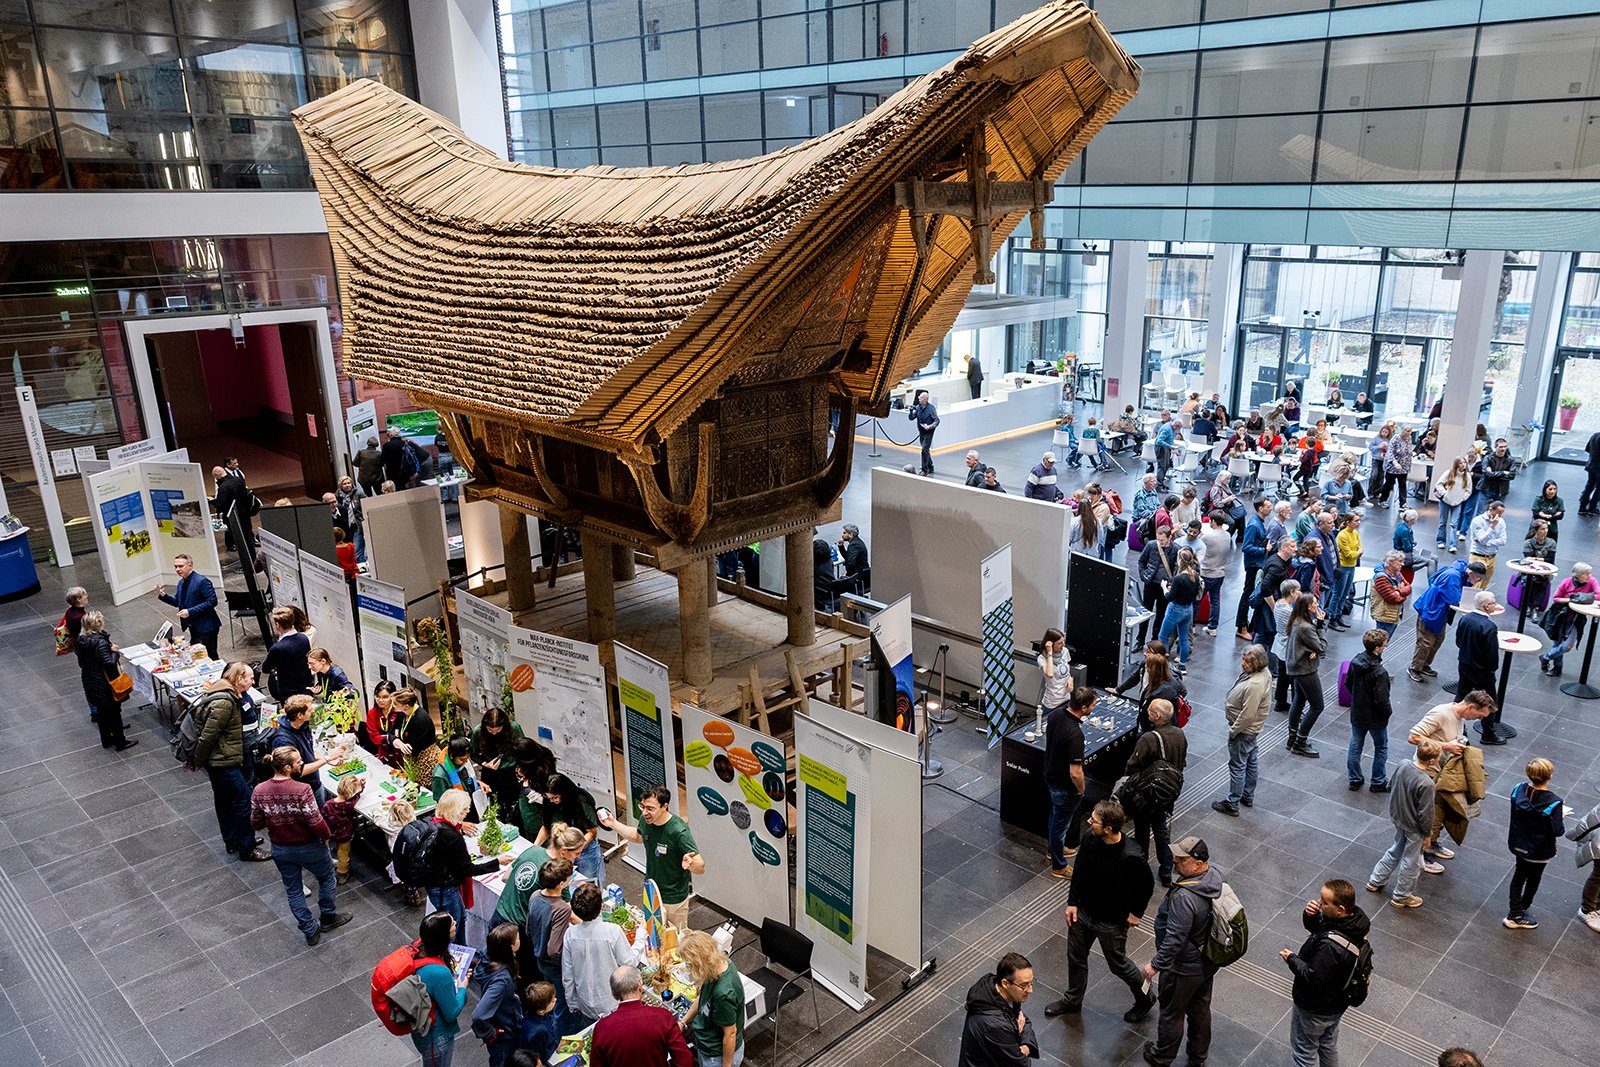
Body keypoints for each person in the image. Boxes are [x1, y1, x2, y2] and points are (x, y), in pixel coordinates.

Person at [1042, 799, 1156, 1022]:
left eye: (1094, 821)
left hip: (1111, 921)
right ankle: (1073, 1000)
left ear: (1109, 827)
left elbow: (1146, 886)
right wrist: (1072, 902)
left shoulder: (1131, 855)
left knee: (1119, 965)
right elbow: (1080, 871)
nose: (1088, 822)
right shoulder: (1090, 837)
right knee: (1076, 957)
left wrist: (1136, 914)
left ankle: (1146, 998)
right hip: (1084, 912)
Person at [251, 745, 351, 944]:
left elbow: (256, 822)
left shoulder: (259, 790)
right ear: (288, 768)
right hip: (309, 847)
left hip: (280, 848)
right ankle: (328, 917)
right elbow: (315, 820)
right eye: (298, 762)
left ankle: (309, 929)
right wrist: (326, 836)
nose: (302, 763)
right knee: (326, 878)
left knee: (294, 889)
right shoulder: (302, 790)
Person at [1141, 836, 1219, 1067]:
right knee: (1200, 1009)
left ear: (1197, 863)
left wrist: (1155, 965)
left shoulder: (1185, 896)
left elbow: (1175, 938)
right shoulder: (1212, 877)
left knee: (1171, 1012)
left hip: (1183, 966)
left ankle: (1162, 1055)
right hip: (1205, 961)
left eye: (1181, 859)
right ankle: (1198, 1057)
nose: (1174, 861)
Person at [1280, 879, 1370, 1067]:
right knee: (1327, 1043)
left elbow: (1312, 977)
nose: (1319, 903)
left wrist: (1292, 959)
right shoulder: (1353, 923)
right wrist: (1310, 916)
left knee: (1304, 1052)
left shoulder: (1330, 948)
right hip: (1336, 1004)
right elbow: (1322, 931)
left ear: (1340, 909)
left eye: (1324, 902)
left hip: (1315, 1007)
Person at [189, 662, 270, 861]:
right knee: (243, 800)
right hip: (223, 761)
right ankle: (247, 847)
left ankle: (234, 839)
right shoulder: (225, 702)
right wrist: (197, 761)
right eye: (250, 678)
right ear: (239, 679)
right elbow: (208, 736)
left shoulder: (226, 693)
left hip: (222, 758)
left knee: (224, 800)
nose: (253, 681)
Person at [601, 784, 703, 930]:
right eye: (643, 807)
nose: (645, 813)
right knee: (652, 933)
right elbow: (638, 836)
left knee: (675, 939)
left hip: (674, 898)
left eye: (650, 808)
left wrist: (691, 862)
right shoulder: (647, 820)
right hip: (651, 891)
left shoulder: (678, 831)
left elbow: (701, 866)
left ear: (664, 806)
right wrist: (613, 824)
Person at [1366, 738, 1443, 909]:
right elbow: (1426, 814)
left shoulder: (1403, 764)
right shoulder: (1427, 783)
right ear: (1432, 760)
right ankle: (1401, 896)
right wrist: (1428, 835)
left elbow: (1390, 785)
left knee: (1395, 849)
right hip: (1414, 827)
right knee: (1411, 861)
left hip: (1398, 818)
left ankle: (1376, 880)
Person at [424, 788, 513, 933]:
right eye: (465, 808)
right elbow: (468, 870)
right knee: (455, 927)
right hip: (446, 889)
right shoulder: (452, 836)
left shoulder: (433, 823)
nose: (468, 810)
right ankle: (459, 953)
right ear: (456, 810)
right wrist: (497, 862)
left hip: (434, 884)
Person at [1124, 699, 1187, 886]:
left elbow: (1132, 766)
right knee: (1160, 829)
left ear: (1157, 716)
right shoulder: (1179, 734)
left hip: (1148, 793)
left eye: (1150, 710)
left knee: (1142, 830)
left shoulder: (1148, 738)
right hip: (1168, 790)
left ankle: (1140, 868)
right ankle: (1166, 870)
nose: (1147, 712)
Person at [562, 883, 641, 1030]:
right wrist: (640, 938)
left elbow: (568, 974)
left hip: (584, 1002)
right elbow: (629, 963)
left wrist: (572, 1002)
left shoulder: (570, 935)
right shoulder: (612, 932)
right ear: (601, 906)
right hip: (611, 1003)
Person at [590, 964, 694, 1067]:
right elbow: (685, 1061)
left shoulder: (602, 1028)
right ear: (640, 986)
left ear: (614, 995)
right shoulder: (663, 1017)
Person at [1505, 757, 1564, 930]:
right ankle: (1518, 913)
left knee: (1518, 877)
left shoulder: (1518, 790)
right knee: (1534, 878)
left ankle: (1516, 910)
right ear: (1550, 776)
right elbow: (1558, 830)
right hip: (1540, 850)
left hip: (1518, 843)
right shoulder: (1554, 801)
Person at [1407, 559, 1487, 684]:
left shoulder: (1461, 574)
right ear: (1471, 574)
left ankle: (1424, 665)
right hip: (1432, 610)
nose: (1479, 581)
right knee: (1425, 641)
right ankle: (1415, 668)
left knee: (1438, 640)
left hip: (1440, 611)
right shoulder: (1453, 576)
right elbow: (1454, 598)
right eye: (1478, 578)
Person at [1039, 628, 1079, 878]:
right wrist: (1050, 653)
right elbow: (1050, 673)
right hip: (1051, 707)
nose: (1063, 645)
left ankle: (1057, 847)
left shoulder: (1064, 652)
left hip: (1064, 702)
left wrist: (1072, 681)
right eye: (1059, 643)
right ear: (1050, 644)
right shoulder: (1045, 658)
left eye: (1064, 642)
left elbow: (1066, 671)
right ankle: (1056, 857)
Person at [1213, 645, 1270, 816]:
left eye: (1247, 661)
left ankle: (1232, 803)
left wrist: (1234, 731)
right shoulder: (1262, 673)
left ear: (1257, 663)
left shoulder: (1255, 685)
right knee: (1251, 761)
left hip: (1244, 731)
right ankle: (1248, 795)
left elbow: (1248, 714)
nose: (1243, 663)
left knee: (1237, 766)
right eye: (1243, 658)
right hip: (1252, 731)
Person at [958, 952, 1038, 1067]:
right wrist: (1026, 1047)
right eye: (1024, 985)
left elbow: (1024, 1021)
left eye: (1031, 983)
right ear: (1005, 983)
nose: (1030, 990)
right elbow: (1020, 1064)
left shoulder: (996, 992)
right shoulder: (994, 1024)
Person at [412, 911, 470, 1067]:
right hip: (436, 1037)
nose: (455, 923)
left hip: (422, 1030)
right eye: (451, 923)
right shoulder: (439, 972)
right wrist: (463, 988)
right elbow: (451, 1012)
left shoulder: (417, 949)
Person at [681, 930, 747, 1067]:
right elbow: (703, 997)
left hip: (717, 1056)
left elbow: (730, 1033)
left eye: (689, 964)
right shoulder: (716, 968)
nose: (688, 968)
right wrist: (683, 1022)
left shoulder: (723, 994)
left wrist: (726, 1065)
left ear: (700, 962)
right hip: (707, 1046)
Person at [525, 858, 577, 1029]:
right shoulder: (562, 908)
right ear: (562, 883)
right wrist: (569, 960)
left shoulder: (534, 896)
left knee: (551, 998)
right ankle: (560, 1038)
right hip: (555, 966)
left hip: (539, 960)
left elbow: (528, 930)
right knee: (561, 1004)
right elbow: (554, 949)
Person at [525, 772, 605, 883]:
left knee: (586, 883)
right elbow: (546, 826)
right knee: (565, 882)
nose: (552, 801)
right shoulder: (549, 802)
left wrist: (575, 849)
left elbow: (592, 832)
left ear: (564, 793)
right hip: (563, 849)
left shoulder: (581, 801)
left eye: (555, 797)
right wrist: (534, 847)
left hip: (584, 850)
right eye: (549, 798)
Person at [271, 694, 351, 802]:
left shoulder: (303, 726)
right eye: (309, 710)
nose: (313, 711)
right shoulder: (283, 741)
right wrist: (327, 759)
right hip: (303, 792)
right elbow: (298, 771)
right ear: (300, 715)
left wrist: (327, 759)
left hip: (315, 784)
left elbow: (308, 750)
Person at [74, 611, 135, 752]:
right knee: (114, 711)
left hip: (89, 679)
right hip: (104, 683)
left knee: (102, 712)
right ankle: (120, 742)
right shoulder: (100, 642)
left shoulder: (80, 640)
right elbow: (108, 663)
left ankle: (106, 739)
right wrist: (114, 652)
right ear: (98, 624)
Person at [471, 924, 525, 1067]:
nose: (520, 939)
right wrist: (489, 1033)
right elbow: (478, 1015)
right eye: (518, 938)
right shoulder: (502, 980)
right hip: (504, 1034)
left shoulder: (488, 953)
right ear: (511, 947)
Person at [1347, 628, 1393, 792]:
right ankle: (1378, 781)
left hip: (1358, 711)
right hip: (1375, 717)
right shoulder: (1380, 672)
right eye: (1384, 645)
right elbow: (1382, 699)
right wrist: (1388, 713)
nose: (1385, 647)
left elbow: (1348, 683)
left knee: (1356, 744)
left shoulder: (1356, 661)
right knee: (1381, 747)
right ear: (1377, 648)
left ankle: (1354, 778)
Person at [1456, 590, 1505, 743]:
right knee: (1490, 701)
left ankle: (1458, 728)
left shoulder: (1465, 619)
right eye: (1493, 603)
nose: (1495, 605)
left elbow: (1458, 641)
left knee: (1461, 696)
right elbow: (1491, 654)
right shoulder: (1489, 626)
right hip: (1483, 671)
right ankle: (1488, 734)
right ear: (1485, 606)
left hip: (1464, 665)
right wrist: (1492, 669)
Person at [153, 553, 221, 661]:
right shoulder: (181, 582)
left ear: (190, 565)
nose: (177, 569)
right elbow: (178, 602)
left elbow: (212, 601)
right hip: (193, 626)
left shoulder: (202, 581)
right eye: (175, 566)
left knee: (210, 654)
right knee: (196, 654)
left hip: (206, 626)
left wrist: (190, 611)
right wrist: (163, 595)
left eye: (180, 566)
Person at [1285, 593, 1328, 758]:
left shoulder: (1296, 621)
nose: (1317, 605)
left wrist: (1313, 650)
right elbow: (1321, 646)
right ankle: (1300, 742)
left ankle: (1292, 737)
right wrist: (1321, 626)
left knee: (1299, 701)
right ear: (1307, 607)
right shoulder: (1306, 627)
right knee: (1317, 706)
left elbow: (1310, 645)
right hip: (1305, 670)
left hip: (1296, 667)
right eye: (1315, 603)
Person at [1113, 640, 1186, 734]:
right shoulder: (1145, 664)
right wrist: (1118, 690)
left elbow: (1183, 691)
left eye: (1148, 652)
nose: (1145, 654)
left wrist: (1164, 708)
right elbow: (1134, 678)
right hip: (1147, 708)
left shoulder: (1169, 679)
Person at [1540, 562, 1600, 677]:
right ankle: (1557, 668)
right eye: (1585, 574)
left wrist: (1580, 597)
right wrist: (1571, 600)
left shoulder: (1592, 581)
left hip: (1576, 619)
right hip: (1559, 617)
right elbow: (1556, 598)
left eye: (1590, 573)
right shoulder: (1566, 582)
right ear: (1577, 575)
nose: (1589, 576)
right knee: (1557, 643)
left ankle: (1545, 657)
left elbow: (1599, 595)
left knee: (1567, 645)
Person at [473, 706, 525, 820]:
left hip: (510, 770)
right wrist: (484, 763)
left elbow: (522, 749)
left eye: (498, 730)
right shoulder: (478, 731)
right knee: (493, 803)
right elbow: (473, 753)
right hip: (490, 772)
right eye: (490, 730)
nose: (494, 733)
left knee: (513, 802)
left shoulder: (514, 728)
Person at [391, 686, 443, 780]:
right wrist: (398, 742)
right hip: (411, 759)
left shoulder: (421, 720)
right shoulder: (402, 714)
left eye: (395, 704)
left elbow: (411, 749)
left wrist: (398, 742)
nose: (392, 705)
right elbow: (391, 733)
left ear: (406, 706)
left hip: (425, 760)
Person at [262, 606, 313, 701]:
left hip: (289, 692)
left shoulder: (278, 648)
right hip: (306, 687)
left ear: (277, 625)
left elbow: (266, 668)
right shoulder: (303, 638)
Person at [1138, 525, 1178, 636]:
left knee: (1160, 614)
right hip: (1150, 583)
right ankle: (1140, 638)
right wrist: (1144, 576)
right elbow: (1141, 561)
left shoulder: (1176, 549)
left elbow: (1176, 568)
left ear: (1169, 537)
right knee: (1145, 612)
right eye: (1158, 539)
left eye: (1162, 540)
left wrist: (1171, 583)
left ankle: (1154, 639)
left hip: (1164, 586)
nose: (1159, 542)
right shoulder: (1151, 545)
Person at [325, 771, 363, 884]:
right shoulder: (348, 805)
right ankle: (342, 872)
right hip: (344, 835)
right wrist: (362, 786)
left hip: (331, 833)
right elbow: (356, 797)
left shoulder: (327, 804)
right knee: (343, 855)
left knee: (338, 849)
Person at [431, 736, 483, 813]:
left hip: (469, 806)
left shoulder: (464, 763)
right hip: (455, 813)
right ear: (452, 756)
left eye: (467, 759)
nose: (466, 762)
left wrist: (478, 783)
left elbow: (466, 780)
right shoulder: (439, 776)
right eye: (462, 759)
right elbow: (442, 804)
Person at [1432, 456, 1473, 551]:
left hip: (1457, 502)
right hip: (1445, 501)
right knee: (1443, 522)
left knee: (1454, 524)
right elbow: (1439, 484)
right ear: (1456, 464)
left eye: (1464, 463)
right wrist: (1445, 494)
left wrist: (1462, 498)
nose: (1463, 465)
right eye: (1461, 463)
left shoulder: (1467, 476)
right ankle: (1440, 541)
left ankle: (1452, 544)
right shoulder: (1448, 473)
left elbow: (1468, 490)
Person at [1465, 500, 1508, 585]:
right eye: (1498, 513)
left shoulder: (1501, 522)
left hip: (1492, 557)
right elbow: (1482, 540)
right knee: (1474, 585)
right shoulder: (1477, 521)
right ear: (1491, 509)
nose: (1499, 516)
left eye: (1501, 514)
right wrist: (1492, 526)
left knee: (1483, 585)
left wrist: (1488, 543)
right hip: (1478, 557)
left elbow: (1503, 541)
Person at [1371, 550, 1411, 637]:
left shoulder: (1397, 573)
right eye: (1400, 561)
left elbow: (1408, 587)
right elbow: (1393, 598)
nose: (1403, 564)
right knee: (1379, 644)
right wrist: (1403, 594)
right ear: (1391, 562)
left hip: (1393, 614)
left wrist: (1399, 592)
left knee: (1383, 643)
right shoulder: (1381, 578)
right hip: (1385, 616)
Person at [1374, 427, 1414, 508]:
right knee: (1389, 484)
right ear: (1402, 430)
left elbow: (1408, 449)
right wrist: (1395, 463)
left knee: (1403, 485)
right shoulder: (1395, 438)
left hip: (1404, 466)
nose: (1408, 433)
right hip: (1392, 467)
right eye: (1407, 431)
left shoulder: (1409, 438)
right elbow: (1390, 453)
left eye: (1410, 431)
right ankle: (1382, 500)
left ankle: (1403, 504)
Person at [908, 388, 938, 476]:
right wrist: (910, 411)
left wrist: (930, 426)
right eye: (919, 397)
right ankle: (930, 466)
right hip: (921, 431)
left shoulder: (931, 408)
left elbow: (937, 420)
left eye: (921, 398)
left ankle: (925, 470)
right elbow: (911, 418)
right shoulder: (918, 407)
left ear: (926, 399)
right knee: (926, 450)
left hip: (929, 431)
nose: (919, 399)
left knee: (924, 450)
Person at [837, 523, 870, 595]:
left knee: (839, 582)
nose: (842, 535)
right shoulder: (857, 542)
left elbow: (851, 563)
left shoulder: (854, 545)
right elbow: (848, 558)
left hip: (859, 577)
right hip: (863, 574)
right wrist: (841, 546)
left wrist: (847, 575)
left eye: (844, 533)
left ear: (851, 535)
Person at [1481, 437, 1516, 503]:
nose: (1503, 449)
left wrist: (1493, 474)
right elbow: (1486, 474)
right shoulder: (1488, 458)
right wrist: (1503, 473)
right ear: (1495, 447)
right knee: (1481, 511)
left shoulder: (1511, 460)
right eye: (1501, 447)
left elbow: (1512, 475)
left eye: (1505, 446)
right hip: (1487, 489)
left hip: (1501, 491)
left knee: (1498, 511)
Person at [1153, 411, 1176, 489]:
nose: (1163, 416)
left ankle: (1161, 482)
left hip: (1165, 448)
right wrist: (1170, 446)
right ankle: (1158, 485)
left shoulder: (1171, 426)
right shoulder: (1167, 428)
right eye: (1162, 414)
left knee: (1165, 465)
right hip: (1161, 448)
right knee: (1162, 466)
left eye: (1165, 414)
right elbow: (1159, 440)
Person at [1581, 430, 1600, 515]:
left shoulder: (1595, 435)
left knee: (1589, 486)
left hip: (1591, 465)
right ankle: (1592, 507)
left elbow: (1588, 449)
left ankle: (1582, 507)